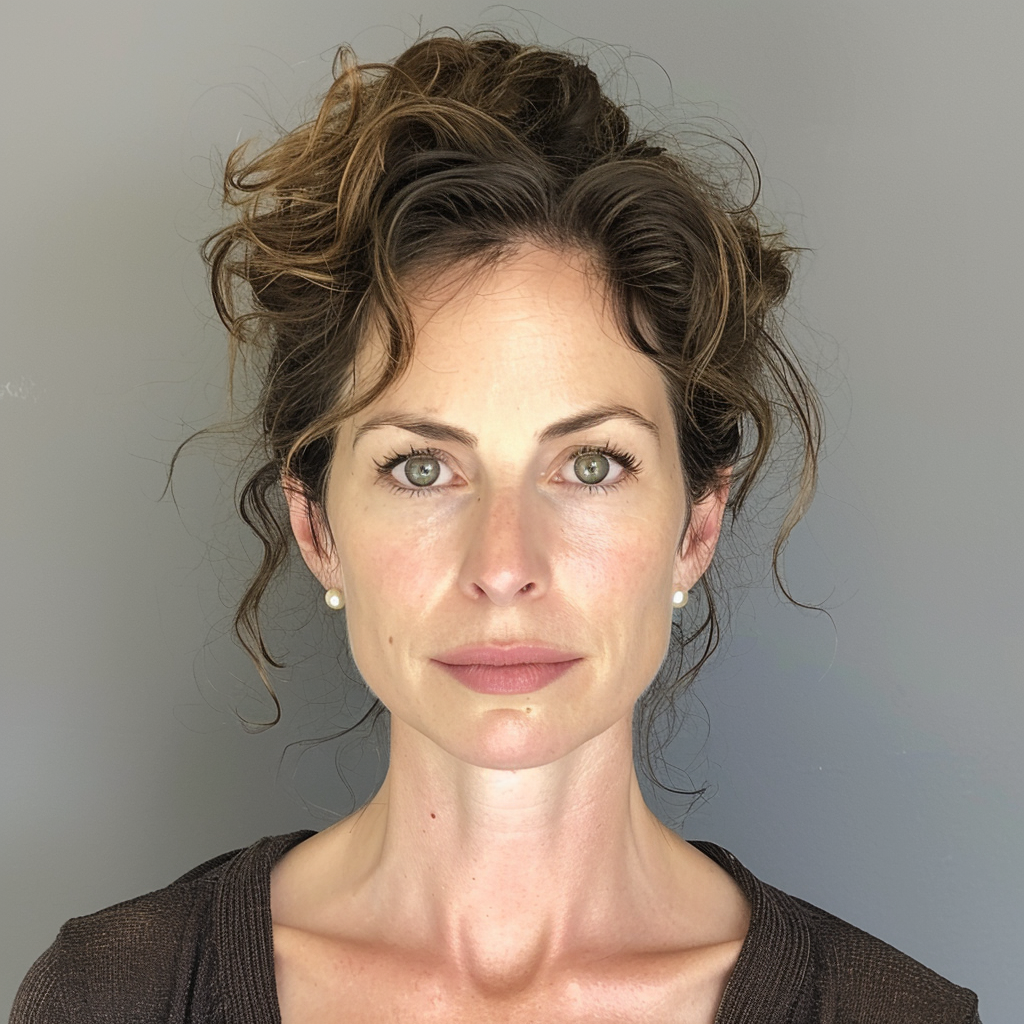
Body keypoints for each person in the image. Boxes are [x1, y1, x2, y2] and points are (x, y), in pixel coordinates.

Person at [12, 29, 981, 1024]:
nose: (505, 566)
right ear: (317, 531)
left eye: (590, 465)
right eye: (421, 468)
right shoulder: (110, 994)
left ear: (695, 525)